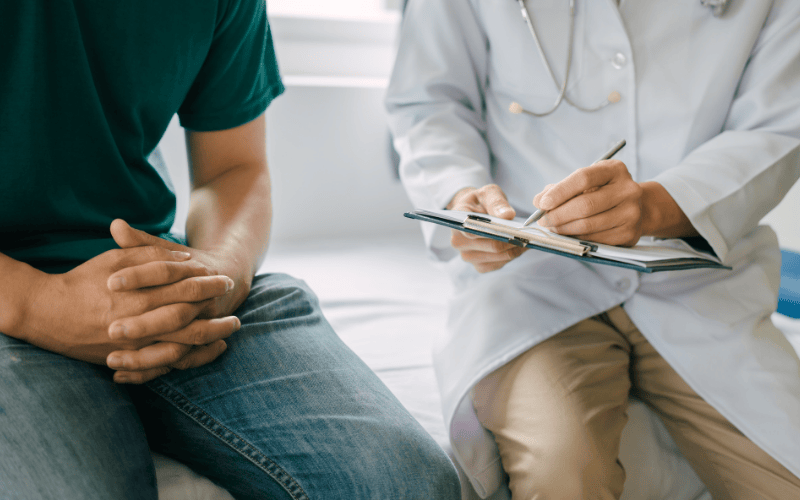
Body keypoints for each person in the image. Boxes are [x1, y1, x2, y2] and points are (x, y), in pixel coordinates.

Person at [0, 2, 462, 499]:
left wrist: (220, 272)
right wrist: (36, 304)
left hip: (165, 277)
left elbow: (234, 170)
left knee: (409, 484)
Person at [385, 0, 800, 498]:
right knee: (563, 471)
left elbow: (778, 124)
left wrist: (657, 206)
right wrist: (460, 197)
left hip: (696, 279)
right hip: (528, 278)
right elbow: (428, 102)